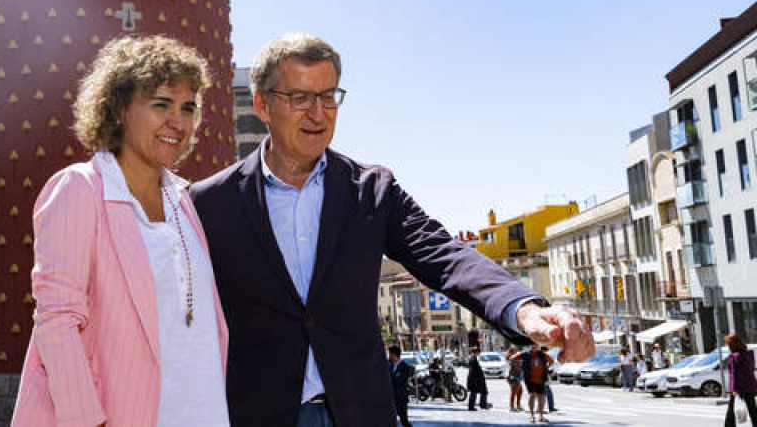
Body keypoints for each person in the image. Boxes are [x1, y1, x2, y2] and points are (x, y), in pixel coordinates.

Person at [190, 33, 594, 427]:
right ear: (262, 104)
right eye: (299, 98)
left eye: (328, 96)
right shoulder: (208, 203)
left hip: (360, 410)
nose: (318, 113)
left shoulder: (372, 190)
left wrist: (523, 309)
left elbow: (444, 254)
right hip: (257, 412)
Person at [11, 35, 229, 427]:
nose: (177, 122)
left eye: (188, 108)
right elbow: (57, 319)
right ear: (117, 109)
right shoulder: (81, 188)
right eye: (160, 104)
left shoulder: (184, 201)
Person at [512, 343, 551, 424]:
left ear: (538, 346)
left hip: (541, 379)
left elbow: (551, 361)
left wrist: (546, 369)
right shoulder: (525, 353)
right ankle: (531, 415)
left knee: (541, 397)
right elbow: (513, 358)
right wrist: (520, 366)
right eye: (532, 345)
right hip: (529, 379)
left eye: (536, 345)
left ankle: (541, 416)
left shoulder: (542, 354)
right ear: (529, 346)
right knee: (532, 395)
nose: (534, 346)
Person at [725, 333, 757, 425]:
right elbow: (750, 370)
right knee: (753, 409)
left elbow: (735, 373)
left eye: (728, 344)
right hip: (750, 385)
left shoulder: (734, 356)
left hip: (738, 387)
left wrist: (734, 389)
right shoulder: (748, 354)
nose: (728, 346)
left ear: (732, 344)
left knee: (731, 409)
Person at [387, 346, 413, 427]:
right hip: (391, 398)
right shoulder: (390, 366)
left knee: (404, 420)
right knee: (390, 420)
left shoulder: (404, 367)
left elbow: (400, 381)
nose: (389, 356)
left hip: (400, 398)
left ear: (394, 355)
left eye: (390, 354)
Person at [466, 347, 490, 411]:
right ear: (476, 352)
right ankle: (473, 406)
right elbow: (473, 369)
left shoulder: (473, 358)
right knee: (474, 392)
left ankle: (482, 404)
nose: (479, 353)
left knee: (482, 391)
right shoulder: (472, 358)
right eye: (478, 352)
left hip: (476, 379)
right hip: (475, 379)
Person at [506, 346, 524, 412]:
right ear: (511, 352)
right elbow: (515, 367)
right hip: (513, 377)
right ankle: (512, 407)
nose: (516, 352)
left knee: (520, 391)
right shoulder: (511, 359)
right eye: (514, 351)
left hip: (517, 376)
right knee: (514, 392)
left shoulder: (515, 358)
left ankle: (518, 405)